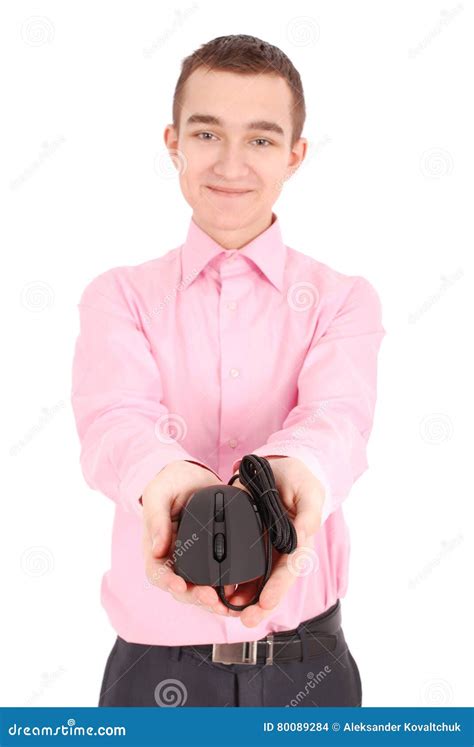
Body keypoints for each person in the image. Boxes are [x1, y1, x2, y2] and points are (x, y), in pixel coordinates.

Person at [71, 34, 385, 707]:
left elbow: (338, 419)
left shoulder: (343, 300)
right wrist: (166, 479)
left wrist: (286, 478)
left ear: (296, 154)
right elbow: (113, 420)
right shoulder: (118, 295)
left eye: (263, 140)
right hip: (151, 675)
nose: (232, 164)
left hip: (312, 672)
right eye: (207, 133)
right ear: (173, 141)